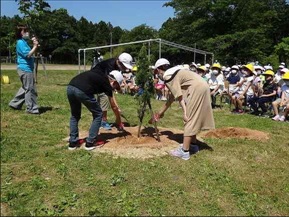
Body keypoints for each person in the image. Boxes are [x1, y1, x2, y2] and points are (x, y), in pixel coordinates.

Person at [151, 58, 215, 160]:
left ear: (158, 69)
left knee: (189, 118)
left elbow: (179, 96)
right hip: (203, 86)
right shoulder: (175, 71)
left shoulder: (167, 76)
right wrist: (161, 113)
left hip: (196, 89)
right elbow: (172, 97)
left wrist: (185, 112)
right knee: (194, 117)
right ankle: (193, 145)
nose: (156, 75)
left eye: (155, 72)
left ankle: (184, 151)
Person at [67, 53, 133, 151]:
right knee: (98, 114)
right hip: (82, 89)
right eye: (116, 86)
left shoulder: (103, 74)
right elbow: (113, 105)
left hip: (70, 86)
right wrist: (118, 120)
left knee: (75, 115)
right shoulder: (106, 83)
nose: (115, 89)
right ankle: (90, 142)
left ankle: (73, 142)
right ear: (114, 82)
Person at [91, 52, 134, 130]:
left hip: (102, 80)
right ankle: (103, 121)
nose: (125, 69)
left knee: (107, 97)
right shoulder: (110, 66)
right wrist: (116, 111)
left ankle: (101, 120)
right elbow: (109, 90)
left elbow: (113, 86)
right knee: (104, 97)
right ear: (119, 61)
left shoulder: (117, 66)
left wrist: (117, 107)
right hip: (96, 79)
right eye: (124, 66)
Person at [9, 25, 40, 114]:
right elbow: (28, 55)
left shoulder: (24, 42)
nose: (27, 32)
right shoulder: (20, 43)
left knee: (25, 87)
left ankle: (14, 103)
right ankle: (31, 109)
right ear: (20, 33)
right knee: (30, 89)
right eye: (25, 31)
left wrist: (35, 45)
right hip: (25, 68)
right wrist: (35, 46)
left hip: (26, 68)